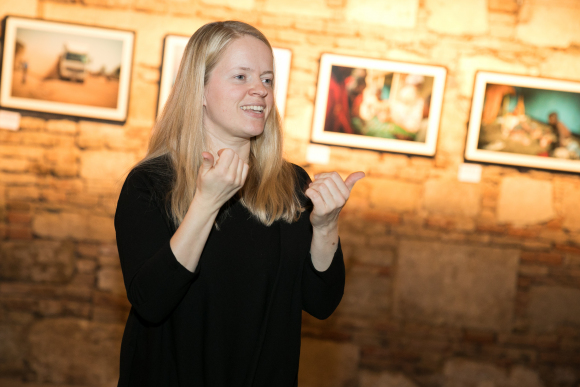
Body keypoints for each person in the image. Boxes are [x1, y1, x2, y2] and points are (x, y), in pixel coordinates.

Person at [114, 21, 364, 387]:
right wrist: (206, 203)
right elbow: (151, 301)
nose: (259, 91)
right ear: (199, 88)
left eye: (266, 79)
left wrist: (325, 226)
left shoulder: (290, 184)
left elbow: (321, 304)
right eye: (240, 76)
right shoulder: (151, 183)